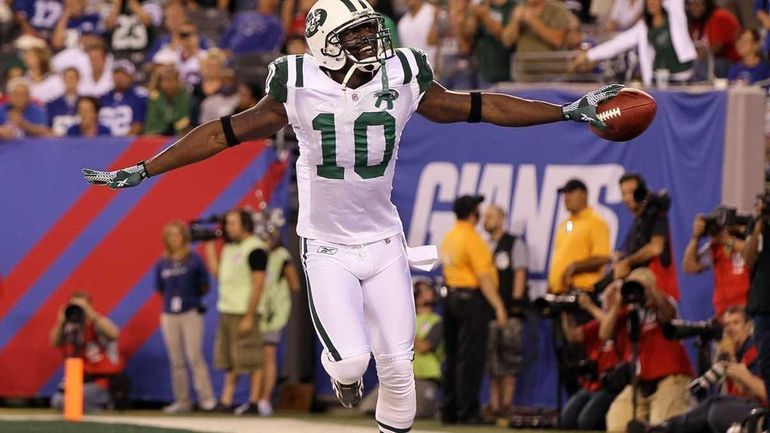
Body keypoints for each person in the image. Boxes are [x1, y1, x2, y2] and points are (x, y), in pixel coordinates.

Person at [81, 0, 623, 429]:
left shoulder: (405, 73)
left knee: (401, 381)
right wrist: (149, 167)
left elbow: (478, 106)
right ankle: (342, 366)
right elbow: (223, 134)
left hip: (386, 240)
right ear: (325, 46)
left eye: (370, 31)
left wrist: (564, 112)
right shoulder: (296, 83)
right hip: (327, 247)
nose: (372, 41)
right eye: (356, 36)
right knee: (350, 366)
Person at [642, 307, 766, 433]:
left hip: (759, 415)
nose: (730, 329)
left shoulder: (754, 350)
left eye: (736, 323)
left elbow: (756, 395)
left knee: (716, 407)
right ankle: (663, 427)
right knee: (711, 407)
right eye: (727, 325)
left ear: (749, 325)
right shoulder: (736, 353)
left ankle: (664, 428)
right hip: (743, 413)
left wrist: (738, 371)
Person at [441, 195, 508, 424]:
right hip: (470, 301)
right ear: (473, 214)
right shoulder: (472, 238)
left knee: (452, 356)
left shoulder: (450, 236)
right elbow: (484, 277)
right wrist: (498, 305)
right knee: (471, 358)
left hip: (450, 297)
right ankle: (467, 411)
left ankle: (449, 409)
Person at [603, 268, 693, 432]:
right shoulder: (628, 312)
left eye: (640, 285)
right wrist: (617, 303)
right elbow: (605, 334)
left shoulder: (665, 301)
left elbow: (668, 316)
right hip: (639, 382)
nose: (636, 290)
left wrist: (651, 291)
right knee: (617, 422)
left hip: (671, 378)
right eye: (632, 284)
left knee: (662, 425)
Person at [204, 209, 268, 414]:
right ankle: (226, 400)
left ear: (245, 224)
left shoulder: (256, 248)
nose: (227, 228)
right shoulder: (230, 248)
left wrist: (250, 316)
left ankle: (254, 402)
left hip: (244, 311)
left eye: (232, 223)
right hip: (227, 309)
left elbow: (258, 285)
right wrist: (210, 250)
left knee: (252, 358)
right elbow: (219, 274)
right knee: (231, 359)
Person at [359, 278, 445, 419]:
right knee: (368, 408)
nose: (426, 293)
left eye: (428, 290)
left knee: (417, 412)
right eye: (422, 290)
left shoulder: (436, 320)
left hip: (425, 379)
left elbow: (424, 346)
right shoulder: (406, 318)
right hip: (400, 376)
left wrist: (402, 328)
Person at [154, 221, 217, 413]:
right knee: (176, 359)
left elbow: (204, 285)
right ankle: (182, 401)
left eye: (177, 234)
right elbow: (160, 288)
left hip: (190, 311)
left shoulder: (194, 259)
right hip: (169, 314)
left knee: (194, 356)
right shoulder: (162, 262)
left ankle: (207, 398)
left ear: (183, 237)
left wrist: (193, 298)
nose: (174, 239)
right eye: (170, 235)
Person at [571, 0, 696, 87]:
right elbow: (618, 43)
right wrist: (589, 55)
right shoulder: (643, 28)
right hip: (659, 80)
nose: (651, 2)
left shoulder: (675, 16)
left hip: (682, 76)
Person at [482, 204, 528, 424]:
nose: (486, 220)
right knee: (493, 360)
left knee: (509, 357)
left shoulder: (514, 243)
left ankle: (507, 404)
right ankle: (494, 403)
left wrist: (514, 305)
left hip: (509, 311)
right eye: (484, 216)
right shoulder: (484, 246)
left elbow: (519, 272)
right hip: (489, 311)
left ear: (501, 219)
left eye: (490, 216)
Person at [560, 292, 625, 430]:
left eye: (609, 298)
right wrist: (566, 313)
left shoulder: (622, 323)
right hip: (591, 384)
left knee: (586, 423)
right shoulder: (597, 323)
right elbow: (574, 336)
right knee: (566, 420)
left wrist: (590, 307)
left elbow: (609, 329)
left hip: (610, 386)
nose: (605, 300)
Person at [49, 291, 122, 412]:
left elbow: (114, 333)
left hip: (102, 382)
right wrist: (61, 321)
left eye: (81, 307)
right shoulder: (70, 327)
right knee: (57, 400)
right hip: (79, 380)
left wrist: (92, 315)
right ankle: (98, 407)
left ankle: (105, 403)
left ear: (90, 307)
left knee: (64, 401)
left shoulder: (98, 324)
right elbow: (54, 342)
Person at [254, 230, 301, 416]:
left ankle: (264, 400)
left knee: (268, 355)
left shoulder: (282, 256)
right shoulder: (257, 254)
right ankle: (254, 399)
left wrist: (277, 298)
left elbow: (295, 284)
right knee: (256, 357)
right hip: (257, 309)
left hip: (273, 313)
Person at [614, 172, 680, 299]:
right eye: (624, 193)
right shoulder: (637, 222)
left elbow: (656, 248)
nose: (627, 198)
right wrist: (622, 258)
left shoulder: (657, 215)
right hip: (639, 293)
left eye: (632, 192)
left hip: (659, 294)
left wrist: (626, 262)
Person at [548, 178, 611, 295]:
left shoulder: (596, 222)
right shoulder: (567, 223)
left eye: (571, 192)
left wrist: (575, 267)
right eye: (565, 194)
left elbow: (602, 258)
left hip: (582, 292)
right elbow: (562, 253)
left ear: (583, 194)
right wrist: (553, 282)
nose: (566, 198)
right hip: (559, 292)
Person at [682, 212, 749, 318]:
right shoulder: (718, 247)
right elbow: (689, 266)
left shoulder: (750, 242)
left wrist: (725, 238)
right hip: (724, 313)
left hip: (747, 311)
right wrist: (696, 237)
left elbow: (749, 250)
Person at [744, 200, 770, 405]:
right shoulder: (761, 219)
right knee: (767, 367)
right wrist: (758, 227)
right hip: (764, 306)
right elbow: (748, 259)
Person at [463, 0, 516, 85]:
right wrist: (473, 18)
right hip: (482, 74)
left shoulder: (513, 7)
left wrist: (485, 17)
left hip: (507, 73)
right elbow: (467, 37)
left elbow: (507, 39)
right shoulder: (479, 6)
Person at [685, 0, 740, 79]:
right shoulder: (697, 21)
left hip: (730, 63)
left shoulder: (719, 16)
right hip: (709, 62)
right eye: (691, 4)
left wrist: (695, 54)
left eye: (699, 3)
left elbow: (717, 47)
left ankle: (702, 89)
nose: (695, 7)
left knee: (697, 63)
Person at [99, 60, 148, 136]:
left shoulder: (138, 96)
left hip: (127, 142)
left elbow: (138, 124)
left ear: (131, 76)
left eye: (123, 74)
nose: (119, 78)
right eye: (116, 74)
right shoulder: (104, 97)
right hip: (102, 142)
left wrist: (123, 142)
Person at [219, 0, 284, 56]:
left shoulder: (275, 24)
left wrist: (241, 55)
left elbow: (268, 48)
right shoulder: (241, 16)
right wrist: (223, 50)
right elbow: (226, 37)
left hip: (251, 60)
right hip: (228, 56)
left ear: (275, 2)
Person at [144, 68, 192, 136]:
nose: (170, 83)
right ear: (160, 83)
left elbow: (184, 119)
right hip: (158, 134)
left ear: (178, 81)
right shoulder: (155, 98)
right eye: (165, 80)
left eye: (173, 80)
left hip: (179, 134)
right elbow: (152, 122)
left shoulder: (185, 97)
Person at [46, 67, 81, 136]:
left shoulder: (86, 103)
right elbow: (48, 127)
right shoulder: (52, 104)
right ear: (63, 80)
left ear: (78, 79)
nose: (70, 80)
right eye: (68, 78)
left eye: (73, 77)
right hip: (59, 142)